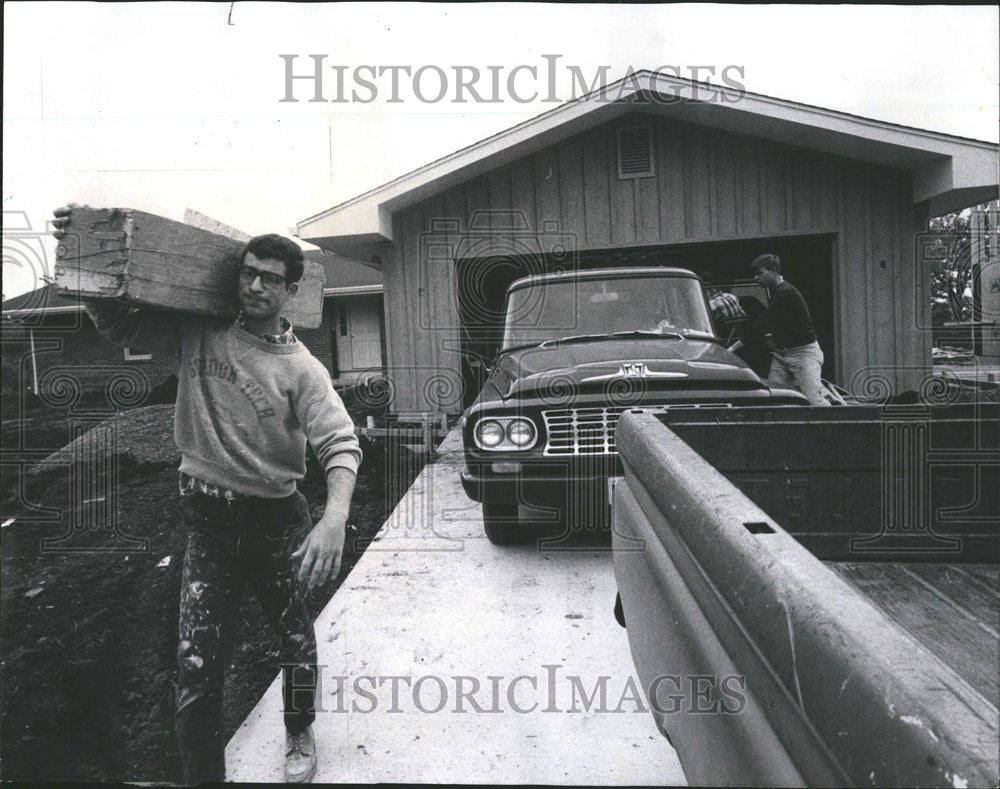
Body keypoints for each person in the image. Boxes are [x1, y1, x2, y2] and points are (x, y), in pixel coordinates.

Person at [53, 206, 362, 783]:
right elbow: (120, 326)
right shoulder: (199, 331)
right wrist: (82, 259)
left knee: (293, 636)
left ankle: (299, 730)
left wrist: (334, 517)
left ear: (291, 290)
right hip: (207, 521)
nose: (255, 285)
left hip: (274, 522)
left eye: (270, 278)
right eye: (249, 272)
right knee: (196, 663)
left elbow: (341, 444)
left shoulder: (303, 370)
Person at [736, 253, 828, 405]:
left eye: (760, 273)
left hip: (803, 354)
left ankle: (834, 423)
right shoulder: (776, 291)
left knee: (814, 400)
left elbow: (764, 321)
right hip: (782, 354)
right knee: (775, 399)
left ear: (773, 271)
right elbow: (781, 322)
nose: (756, 278)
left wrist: (735, 346)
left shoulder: (785, 292)